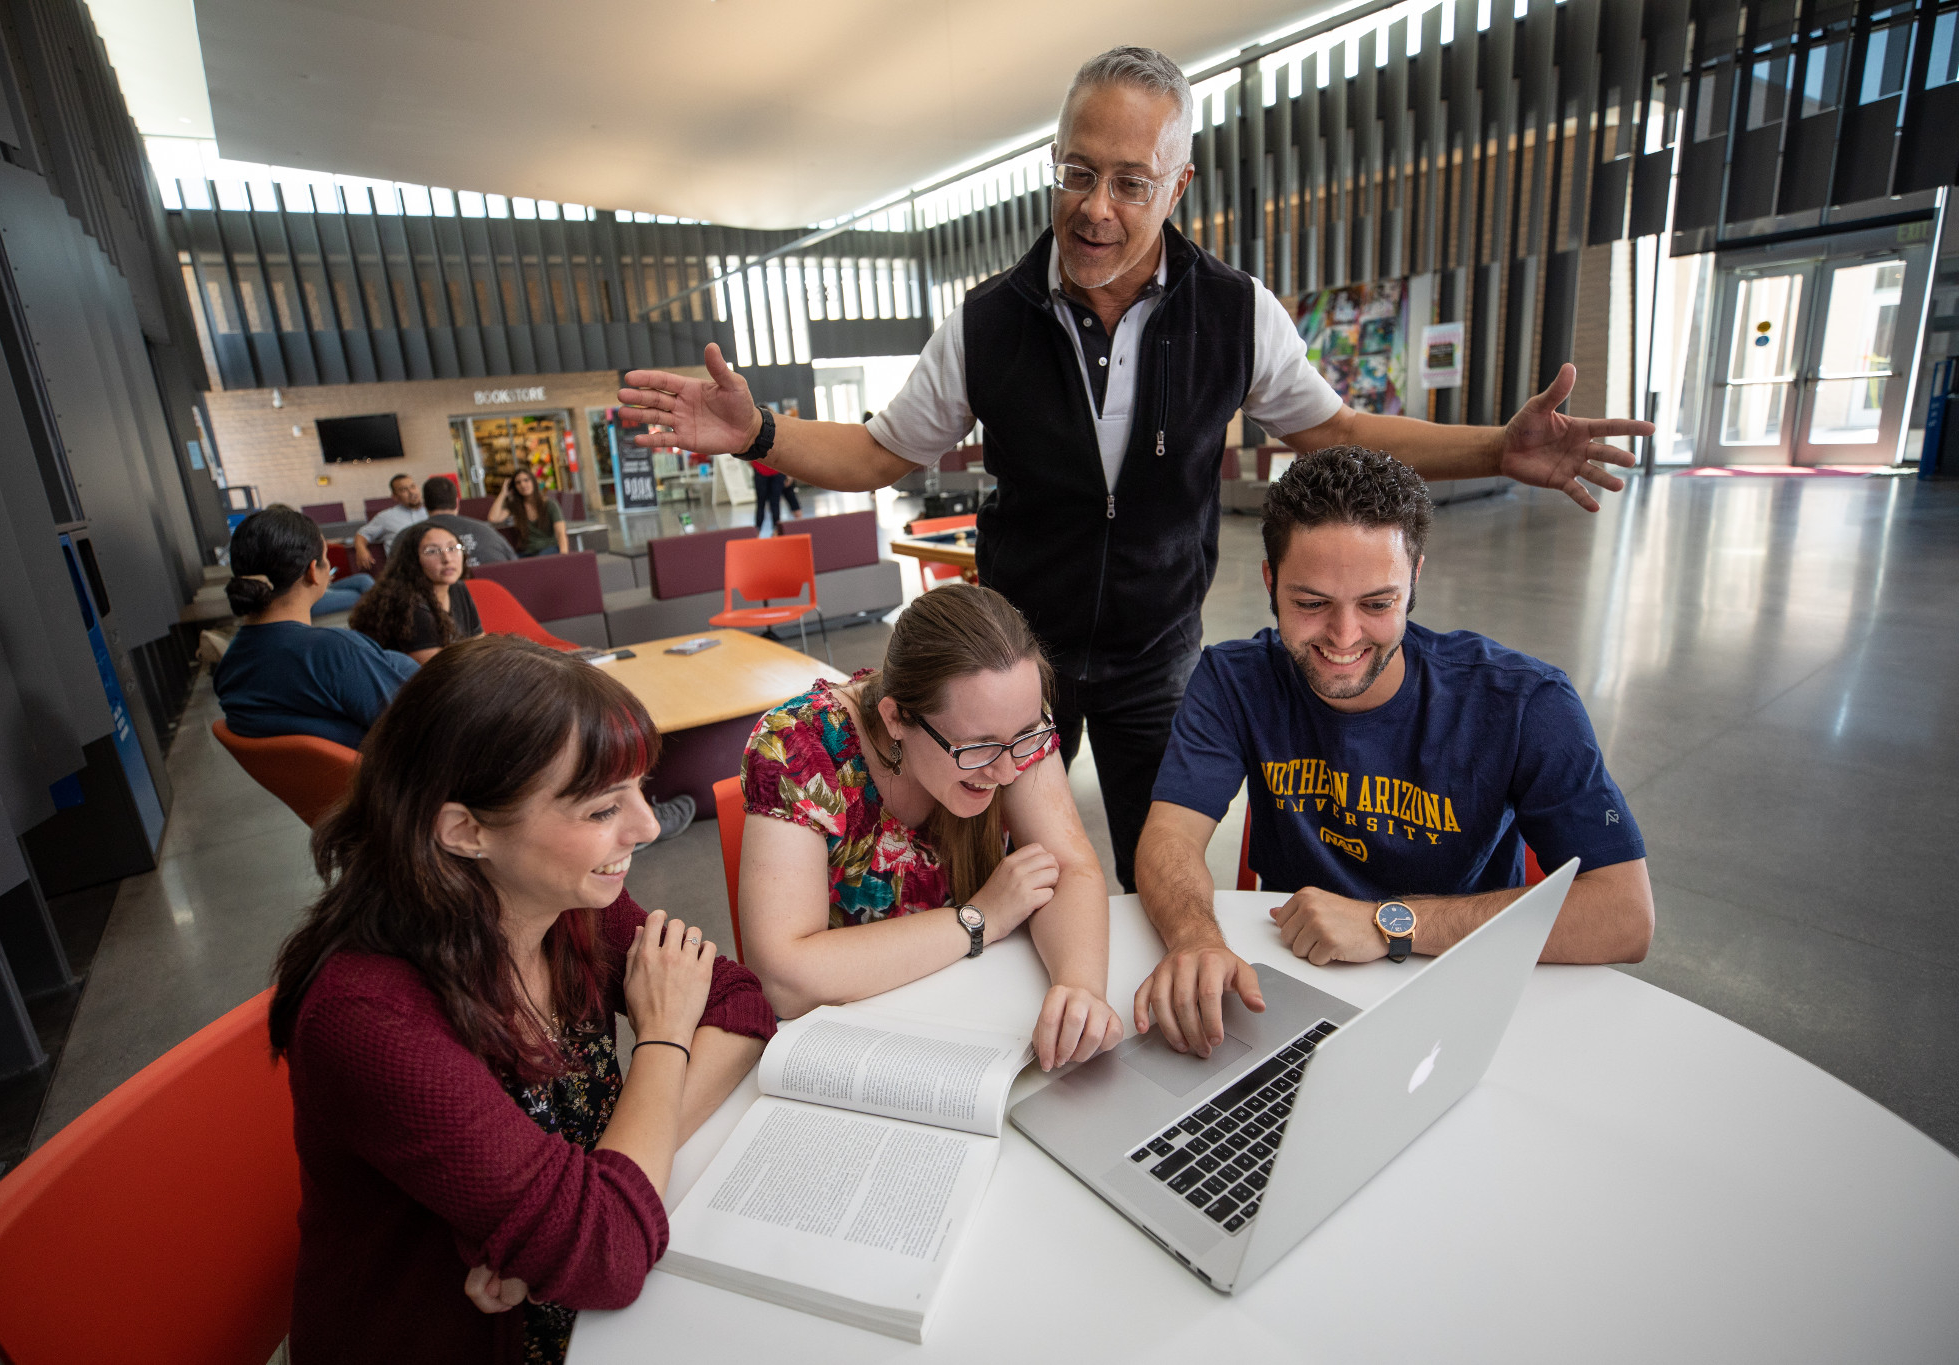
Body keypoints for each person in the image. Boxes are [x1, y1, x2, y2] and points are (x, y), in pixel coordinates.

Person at [617, 46, 1651, 897]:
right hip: (1016, 658)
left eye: (1128, 181)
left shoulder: (1234, 312)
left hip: (1158, 653)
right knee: (991, 868)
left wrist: (1493, 449)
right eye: (1076, 172)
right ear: (1053, 162)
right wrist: (760, 435)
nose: (1095, 209)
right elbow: (881, 451)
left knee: (1157, 866)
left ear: (1177, 184)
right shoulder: (986, 322)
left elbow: (1330, 432)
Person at [269, 635, 773, 1364]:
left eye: (640, 787)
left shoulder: (572, 904)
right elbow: (606, 1257)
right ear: (465, 830)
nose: (647, 824)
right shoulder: (367, 1016)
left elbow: (738, 1003)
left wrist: (594, 1189)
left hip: (566, 1302)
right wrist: (662, 1040)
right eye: (602, 809)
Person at [1131, 447, 1655, 1057]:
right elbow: (1168, 836)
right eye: (1310, 603)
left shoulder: (1524, 703)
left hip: (1461, 992)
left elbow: (1624, 914)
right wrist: (1195, 938)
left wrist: (1389, 923)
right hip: (1291, 991)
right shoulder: (1233, 680)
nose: (1344, 637)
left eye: (1377, 604)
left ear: (1415, 582)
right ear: (1271, 581)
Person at [739, 583, 1121, 1070]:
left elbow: (1068, 866)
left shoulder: (1009, 725)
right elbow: (783, 979)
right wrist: (977, 920)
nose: (1006, 773)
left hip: (966, 1013)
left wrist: (1079, 987)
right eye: (976, 748)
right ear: (896, 717)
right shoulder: (798, 746)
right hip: (850, 1049)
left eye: (1025, 737)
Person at [212, 506, 418, 749]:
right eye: (325, 555)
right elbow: (416, 730)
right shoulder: (334, 653)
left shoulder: (229, 667)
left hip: (316, 782)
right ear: (313, 571)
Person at [349, 523, 481, 664]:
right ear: (414, 560)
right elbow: (438, 671)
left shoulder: (457, 589)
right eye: (432, 551)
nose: (447, 559)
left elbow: (480, 644)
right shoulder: (409, 605)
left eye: (453, 548)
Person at [422, 474, 517, 564]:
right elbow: (514, 564)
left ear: (424, 505)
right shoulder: (487, 532)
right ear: (457, 503)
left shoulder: (410, 537)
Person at [351, 473, 429, 574]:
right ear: (395, 497)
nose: (411, 492)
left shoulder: (431, 512)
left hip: (431, 567)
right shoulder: (386, 517)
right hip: (403, 571)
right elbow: (362, 534)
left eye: (413, 487)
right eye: (404, 490)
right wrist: (361, 549)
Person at [490, 466, 570, 557]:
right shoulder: (516, 506)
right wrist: (503, 493)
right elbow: (493, 518)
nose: (523, 485)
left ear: (533, 481)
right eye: (518, 483)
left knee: (540, 558)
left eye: (526, 480)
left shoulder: (550, 504)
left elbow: (561, 534)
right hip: (527, 552)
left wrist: (564, 557)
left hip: (549, 549)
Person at [751, 460, 800, 534]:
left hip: (776, 471)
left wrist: (789, 474)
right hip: (761, 471)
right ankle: (757, 530)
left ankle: (776, 530)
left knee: (775, 502)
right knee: (761, 503)